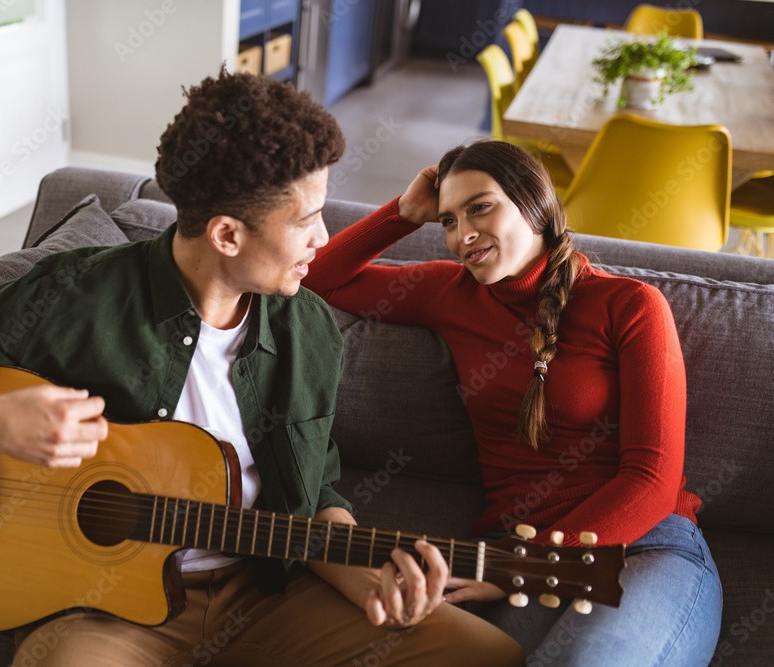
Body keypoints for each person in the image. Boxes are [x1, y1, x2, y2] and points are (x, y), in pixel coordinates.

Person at [0, 71, 523, 666]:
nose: (323, 238)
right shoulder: (76, 295)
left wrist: (373, 585)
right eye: (308, 219)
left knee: (486, 653)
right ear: (227, 234)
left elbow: (312, 497)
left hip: (263, 592)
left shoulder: (309, 331)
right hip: (103, 611)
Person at [301, 139, 723, 666]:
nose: (463, 236)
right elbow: (312, 276)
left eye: (480, 207)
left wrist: (517, 565)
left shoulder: (630, 305)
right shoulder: (448, 292)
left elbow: (653, 479)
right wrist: (404, 214)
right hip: (508, 542)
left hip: (643, 546)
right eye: (449, 221)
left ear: (535, 203)